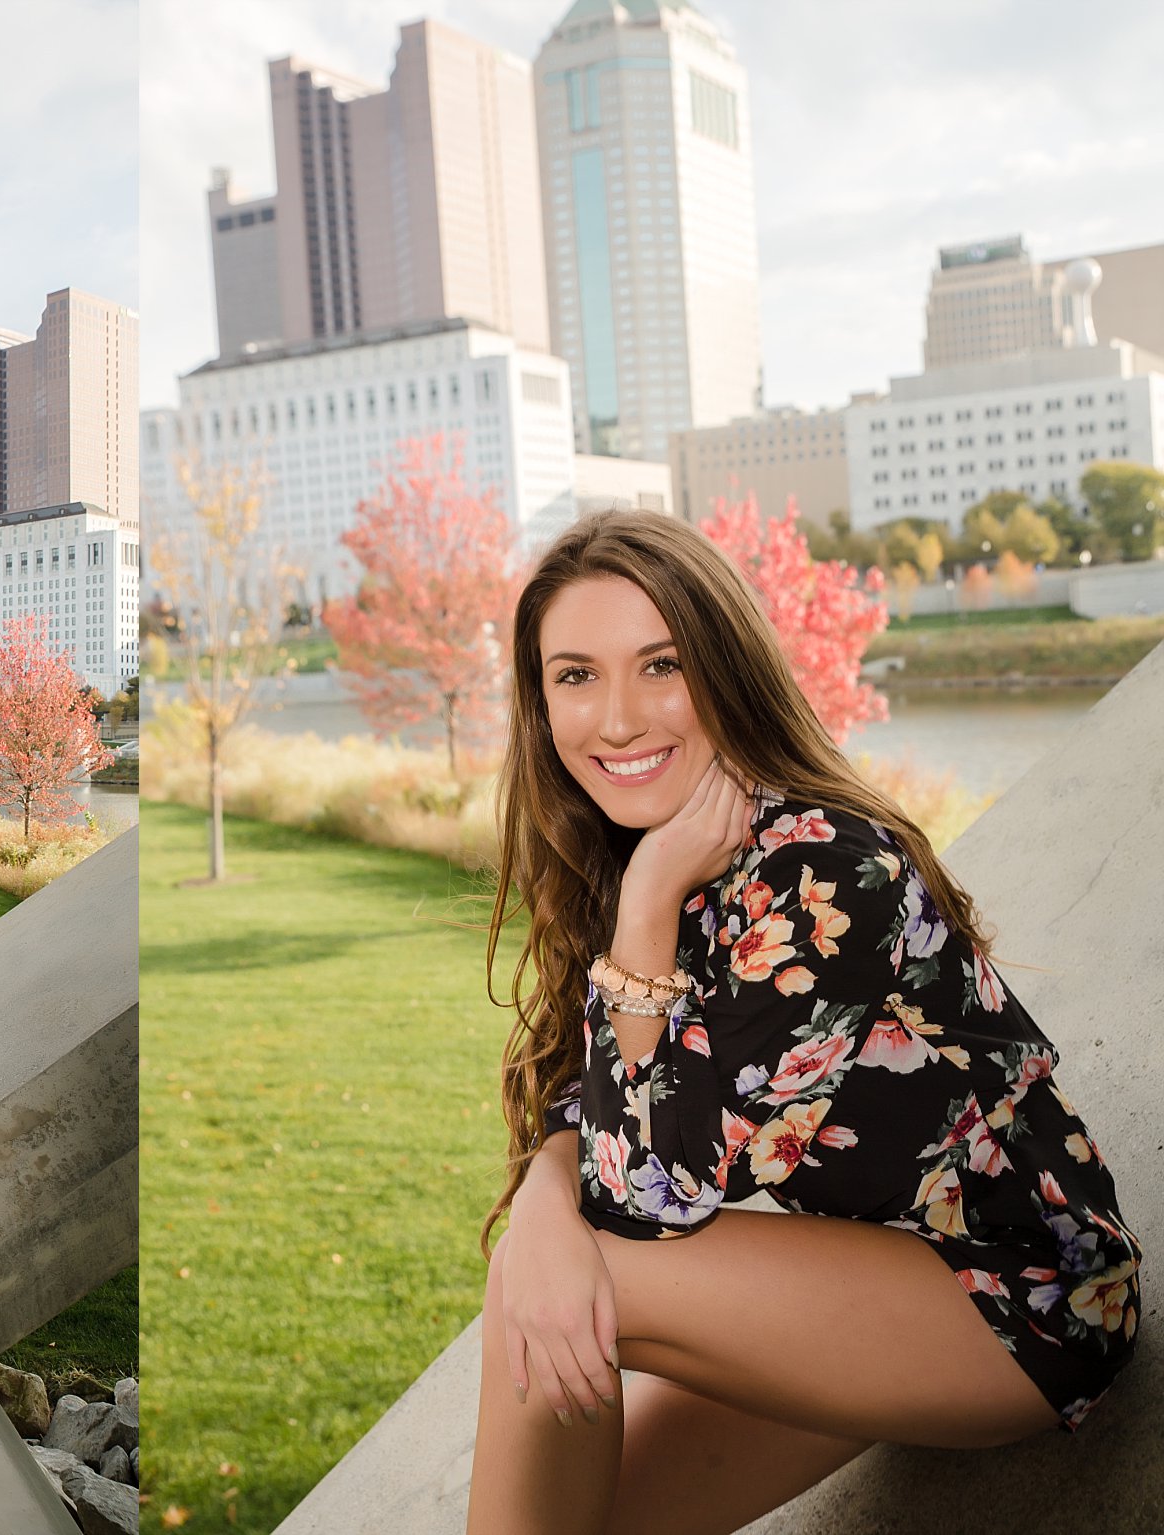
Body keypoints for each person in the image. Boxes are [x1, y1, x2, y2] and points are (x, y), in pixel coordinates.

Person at [464, 511, 1139, 1535]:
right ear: (537, 697)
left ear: (725, 666)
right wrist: (539, 1214)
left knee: (569, 1282)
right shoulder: (668, 841)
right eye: (573, 675)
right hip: (871, 1271)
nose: (614, 718)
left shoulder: (817, 871)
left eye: (659, 664)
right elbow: (588, 1098)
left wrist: (644, 905)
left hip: (1021, 1296)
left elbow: (647, 1197)